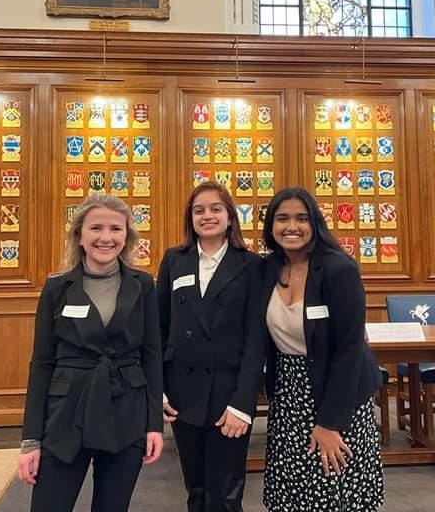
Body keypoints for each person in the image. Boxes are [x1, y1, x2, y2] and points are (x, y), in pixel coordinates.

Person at [18, 194, 163, 512]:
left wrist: (154, 425)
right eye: (96, 227)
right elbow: (41, 363)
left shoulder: (143, 285)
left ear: (127, 237)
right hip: (66, 414)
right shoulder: (56, 288)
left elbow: (152, 356)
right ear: (80, 235)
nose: (106, 237)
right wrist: (31, 439)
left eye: (116, 229)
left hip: (126, 411)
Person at [260, 187, 384, 512]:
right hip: (289, 395)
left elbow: (350, 350)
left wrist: (330, 423)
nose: (292, 226)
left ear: (315, 223)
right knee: (291, 489)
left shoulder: (338, 269)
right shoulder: (266, 270)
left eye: (302, 218)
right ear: (270, 226)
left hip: (337, 394)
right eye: (282, 218)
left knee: (336, 488)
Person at [157, 181, 264, 512]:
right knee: (196, 490)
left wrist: (243, 404)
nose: (207, 216)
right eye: (199, 210)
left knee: (225, 493)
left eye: (216, 209)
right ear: (190, 218)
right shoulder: (174, 260)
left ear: (230, 217)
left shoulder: (251, 265)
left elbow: (256, 340)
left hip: (228, 395)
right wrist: (158, 391)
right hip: (182, 392)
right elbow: (159, 329)